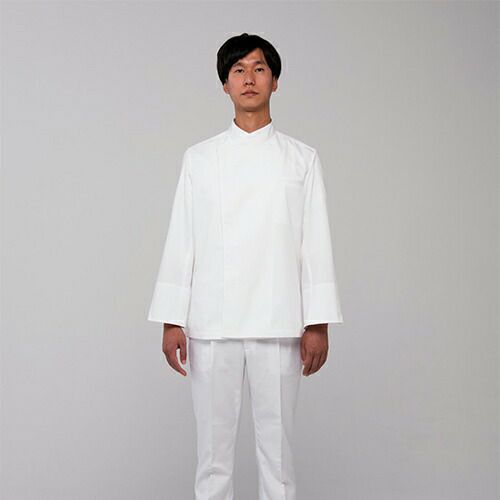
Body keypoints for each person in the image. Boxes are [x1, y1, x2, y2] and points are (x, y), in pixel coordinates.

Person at [147, 32, 343, 500]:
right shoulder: (200, 158)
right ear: (225, 85)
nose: (249, 79)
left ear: (275, 81)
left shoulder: (301, 159)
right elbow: (183, 238)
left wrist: (317, 322)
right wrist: (172, 318)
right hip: (212, 322)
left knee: (278, 459)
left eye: (259, 69)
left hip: (280, 321)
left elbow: (314, 243)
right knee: (213, 458)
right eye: (238, 70)